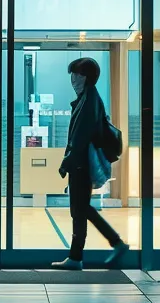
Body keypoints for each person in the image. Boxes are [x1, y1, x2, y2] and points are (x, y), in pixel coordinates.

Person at [50, 57, 128, 270]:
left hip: (81, 164)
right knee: (81, 209)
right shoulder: (87, 98)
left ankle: (110, 245)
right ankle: (81, 255)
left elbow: (81, 137)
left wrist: (67, 162)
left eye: (78, 75)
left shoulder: (89, 101)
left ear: (87, 78)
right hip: (80, 163)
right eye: (73, 75)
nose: (73, 79)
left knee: (80, 209)